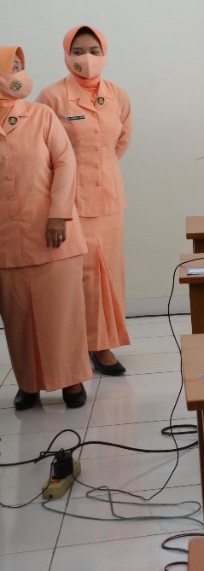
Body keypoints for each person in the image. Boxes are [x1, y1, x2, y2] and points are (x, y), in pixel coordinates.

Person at [34, 25, 132, 376]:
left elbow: (119, 142)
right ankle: (84, 345)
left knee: (110, 275)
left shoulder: (118, 95)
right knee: (81, 277)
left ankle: (102, 342)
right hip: (70, 202)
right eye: (77, 51)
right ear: (66, 54)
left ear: (104, 53)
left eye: (93, 49)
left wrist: (99, 169)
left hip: (110, 198)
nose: (85, 58)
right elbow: (40, 152)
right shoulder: (51, 97)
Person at [0, 46, 91, 409]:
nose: (20, 75)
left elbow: (66, 163)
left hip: (54, 235)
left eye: (21, 68)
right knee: (19, 319)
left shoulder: (41, 115)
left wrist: (58, 214)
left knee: (61, 314)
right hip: (7, 241)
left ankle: (70, 383)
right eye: (12, 68)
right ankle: (30, 384)